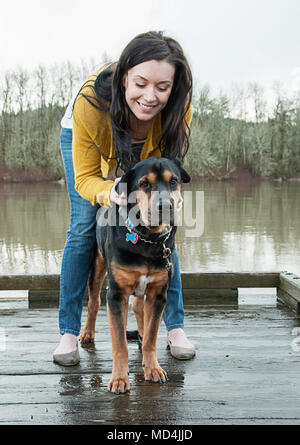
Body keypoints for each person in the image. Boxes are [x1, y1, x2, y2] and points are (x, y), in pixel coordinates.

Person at [53, 31, 195, 366]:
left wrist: (170, 197)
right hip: (90, 133)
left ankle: (175, 328)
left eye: (163, 87)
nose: (151, 96)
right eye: (141, 83)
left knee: (162, 228)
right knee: (84, 226)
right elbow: (87, 178)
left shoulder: (178, 107)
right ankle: (69, 333)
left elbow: (167, 168)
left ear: (174, 87)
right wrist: (110, 191)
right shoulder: (90, 103)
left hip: (146, 147)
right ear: (124, 77)